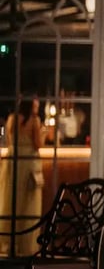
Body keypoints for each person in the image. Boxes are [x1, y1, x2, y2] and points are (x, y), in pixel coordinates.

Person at [0, 96, 45, 256]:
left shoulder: (11, 118)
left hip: (13, 161)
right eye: (36, 105)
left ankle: (8, 243)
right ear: (30, 105)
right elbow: (38, 144)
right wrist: (44, 132)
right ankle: (26, 246)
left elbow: (9, 141)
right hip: (28, 163)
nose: (37, 108)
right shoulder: (34, 121)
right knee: (28, 203)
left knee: (11, 201)